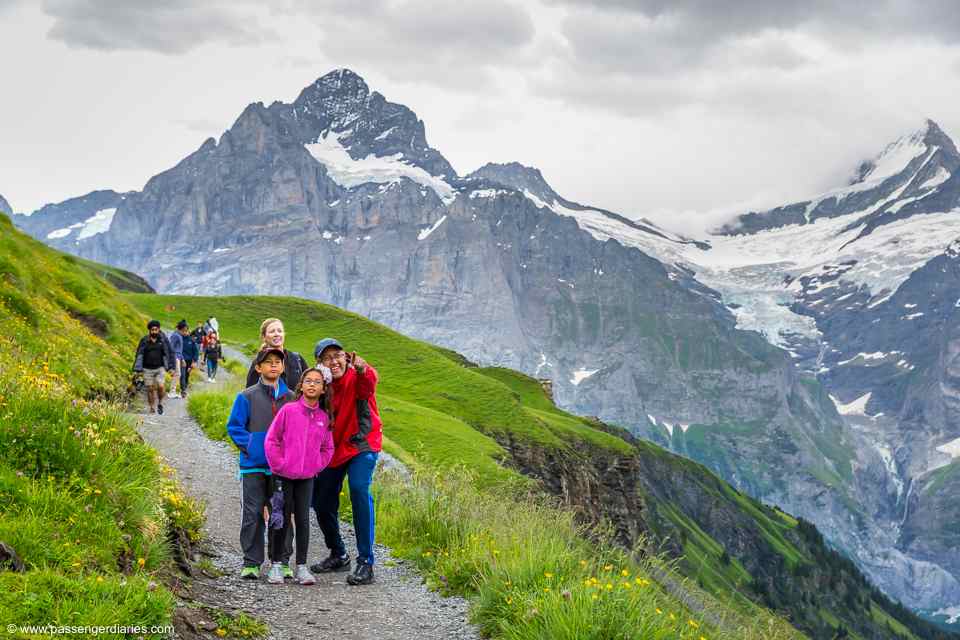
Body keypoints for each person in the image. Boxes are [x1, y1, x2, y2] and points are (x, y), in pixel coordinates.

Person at [310, 338, 383, 586]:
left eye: (338, 355)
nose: (334, 361)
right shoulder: (322, 386)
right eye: (327, 358)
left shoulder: (358, 374)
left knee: (359, 489)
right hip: (333, 449)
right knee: (320, 501)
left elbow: (369, 384)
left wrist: (363, 368)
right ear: (320, 364)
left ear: (346, 357)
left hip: (362, 443)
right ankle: (339, 553)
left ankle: (366, 562)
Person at [226, 348, 296, 580]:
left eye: (278, 362)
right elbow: (234, 427)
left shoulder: (293, 399)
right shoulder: (246, 396)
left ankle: (283, 560)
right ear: (258, 368)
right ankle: (252, 563)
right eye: (268, 362)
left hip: (282, 468)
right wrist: (253, 446)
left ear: (283, 367)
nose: (273, 366)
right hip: (253, 466)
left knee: (282, 513)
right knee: (253, 513)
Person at [264, 367, 335, 585]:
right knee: (280, 519)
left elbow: (328, 448)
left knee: (303, 520)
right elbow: (272, 440)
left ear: (323, 389)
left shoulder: (324, 418)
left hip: (306, 478)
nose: (312, 385)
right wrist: (279, 464)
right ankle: (276, 565)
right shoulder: (288, 410)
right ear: (301, 386)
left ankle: (301, 567)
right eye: (308, 381)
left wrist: (315, 466)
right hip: (282, 476)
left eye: (317, 382)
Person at [245, 318, 308, 390]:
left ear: (284, 334)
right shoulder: (259, 362)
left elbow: (308, 384)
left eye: (280, 331)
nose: (276, 334)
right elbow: (250, 393)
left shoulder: (297, 359)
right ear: (264, 337)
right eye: (272, 331)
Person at [132, 320, 175, 415]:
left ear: (159, 330)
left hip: (160, 368)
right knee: (150, 388)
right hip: (147, 368)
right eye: (152, 330)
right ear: (149, 330)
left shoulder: (163, 341)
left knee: (161, 386)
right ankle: (151, 407)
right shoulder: (144, 341)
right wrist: (136, 369)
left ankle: (160, 403)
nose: (154, 331)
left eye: (156, 329)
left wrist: (171, 367)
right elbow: (138, 355)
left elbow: (170, 353)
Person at [178, 321, 199, 398]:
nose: (185, 332)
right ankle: (183, 390)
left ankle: (184, 386)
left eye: (186, 331)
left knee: (186, 375)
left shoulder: (192, 340)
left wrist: (195, 361)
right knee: (182, 375)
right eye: (184, 331)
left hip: (189, 361)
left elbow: (196, 352)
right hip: (181, 360)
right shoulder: (179, 338)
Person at [167, 320, 185, 399]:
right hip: (175, 357)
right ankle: (172, 392)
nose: (185, 331)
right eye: (184, 330)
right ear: (181, 329)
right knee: (177, 374)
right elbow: (171, 347)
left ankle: (173, 391)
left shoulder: (179, 335)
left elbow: (180, 349)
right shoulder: (175, 335)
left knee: (177, 374)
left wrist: (182, 359)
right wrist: (172, 359)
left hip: (178, 357)